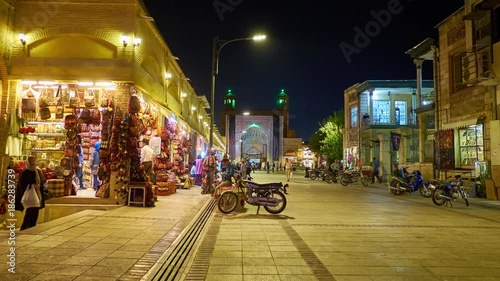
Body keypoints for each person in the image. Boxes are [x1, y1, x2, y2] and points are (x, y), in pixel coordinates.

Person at [15, 156, 45, 231]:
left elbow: (42, 181)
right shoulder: (25, 172)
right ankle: (26, 227)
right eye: (30, 161)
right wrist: (31, 185)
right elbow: (21, 184)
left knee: (35, 212)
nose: (32, 163)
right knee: (30, 212)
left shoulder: (38, 171)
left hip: (37, 194)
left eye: (33, 161)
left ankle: (31, 226)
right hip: (30, 195)